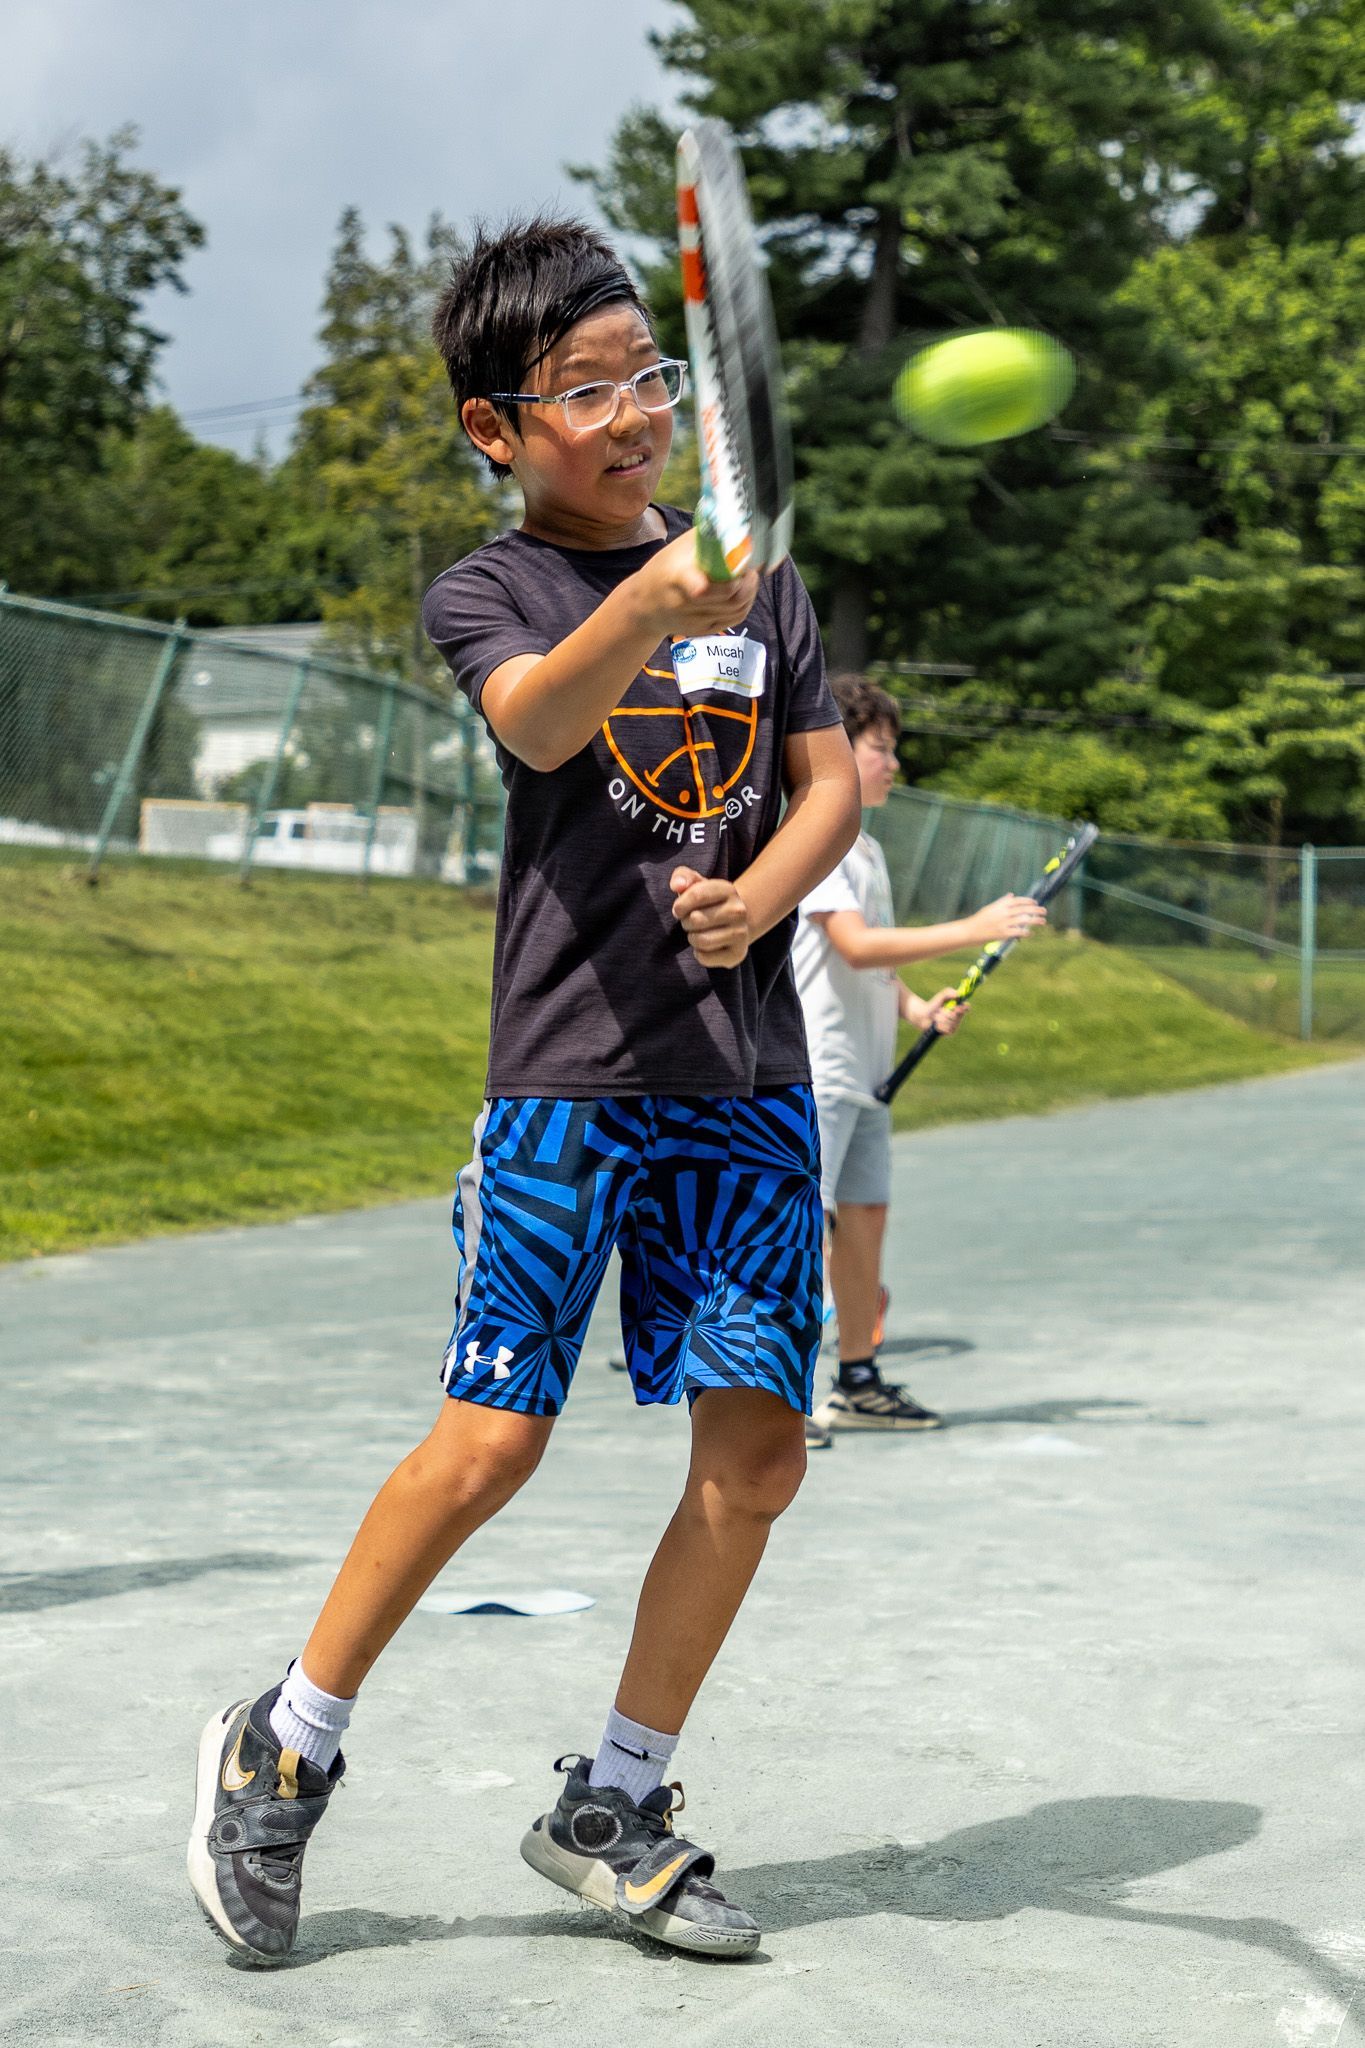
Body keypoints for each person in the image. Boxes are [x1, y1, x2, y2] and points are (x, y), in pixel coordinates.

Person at [186, 218, 860, 1965]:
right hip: (568, 1074)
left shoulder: (764, 587)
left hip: (745, 1081)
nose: (632, 413)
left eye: (650, 377)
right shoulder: (493, 588)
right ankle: (284, 1741)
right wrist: (659, 593)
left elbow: (828, 794)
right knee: (495, 1436)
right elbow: (548, 726)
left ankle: (614, 1801)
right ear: (498, 428)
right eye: (587, 391)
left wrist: (764, 894)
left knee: (759, 1451)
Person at [793, 677, 1045, 1443]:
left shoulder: (865, 847)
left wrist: (914, 1009)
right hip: (817, 1069)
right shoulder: (820, 834)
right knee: (803, 1229)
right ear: (839, 749)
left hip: (865, 1077)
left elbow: (874, 964)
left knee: (865, 1220)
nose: (892, 765)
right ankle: (781, 1394)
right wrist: (973, 926)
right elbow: (852, 943)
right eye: (880, 750)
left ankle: (856, 1380)